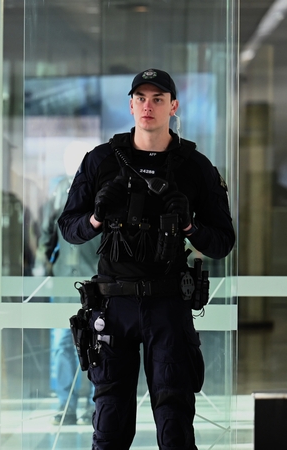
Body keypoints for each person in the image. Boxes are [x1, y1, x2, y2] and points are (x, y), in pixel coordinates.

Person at [57, 68, 235, 449]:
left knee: (174, 426)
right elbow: (69, 228)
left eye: (157, 99)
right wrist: (96, 217)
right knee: (110, 425)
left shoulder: (195, 166)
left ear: (173, 106)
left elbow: (222, 242)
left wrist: (189, 226)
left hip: (167, 305)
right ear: (130, 105)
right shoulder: (102, 160)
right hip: (113, 304)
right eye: (140, 98)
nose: (148, 107)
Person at [35, 143, 99, 426]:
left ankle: (97, 405)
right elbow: (47, 235)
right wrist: (42, 268)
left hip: (97, 281)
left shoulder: (105, 190)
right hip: (64, 282)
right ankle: (67, 405)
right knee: (63, 342)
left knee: (99, 343)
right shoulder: (58, 192)